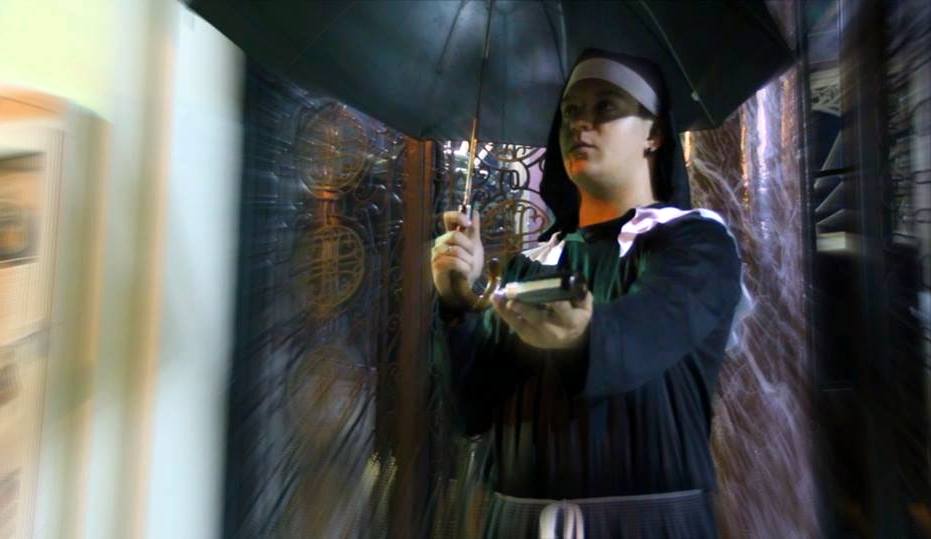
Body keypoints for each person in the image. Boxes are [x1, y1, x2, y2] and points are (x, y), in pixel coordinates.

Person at [431, 48, 747, 538]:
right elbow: (471, 407)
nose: (580, 123)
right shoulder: (530, 265)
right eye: (571, 111)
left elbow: (653, 325)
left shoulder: (694, 243)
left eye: (606, 108)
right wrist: (457, 300)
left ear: (654, 134)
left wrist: (585, 336)